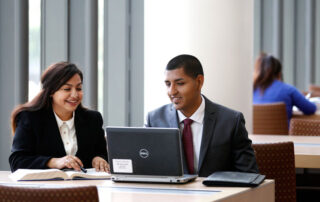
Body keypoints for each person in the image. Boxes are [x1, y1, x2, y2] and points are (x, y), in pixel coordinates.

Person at [145, 54, 258, 177]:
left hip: (218, 195)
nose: (172, 91)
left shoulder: (231, 121)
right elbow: (145, 168)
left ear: (199, 82)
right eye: (168, 84)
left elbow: (249, 175)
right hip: (171, 194)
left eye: (180, 83)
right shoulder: (155, 120)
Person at [9, 62, 109, 172]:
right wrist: (54, 162)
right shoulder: (30, 118)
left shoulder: (93, 119)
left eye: (79, 88)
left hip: (84, 187)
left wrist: (98, 159)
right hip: (44, 188)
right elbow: (17, 161)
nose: (75, 95)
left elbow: (102, 153)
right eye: (67, 89)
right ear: (51, 92)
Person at [253, 53, 316, 122]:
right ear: (279, 73)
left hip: (252, 132)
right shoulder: (288, 90)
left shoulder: (251, 91)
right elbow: (310, 109)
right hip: (283, 133)